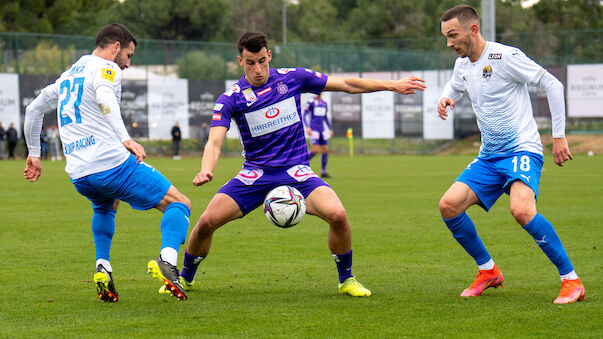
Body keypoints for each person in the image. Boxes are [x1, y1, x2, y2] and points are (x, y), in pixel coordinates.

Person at [168, 32, 425, 297]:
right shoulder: (231, 98)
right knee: (206, 222)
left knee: (338, 215)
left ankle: (346, 279)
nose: (257, 69)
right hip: (255, 174)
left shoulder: (292, 78)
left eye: (261, 61)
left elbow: (347, 83)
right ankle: (185, 279)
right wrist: (206, 167)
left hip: (297, 171)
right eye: (249, 63)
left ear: (269, 56)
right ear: (240, 61)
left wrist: (392, 85)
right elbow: (214, 142)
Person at [23, 23, 192, 302]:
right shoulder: (106, 67)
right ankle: (168, 261)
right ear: (116, 47)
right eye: (129, 55)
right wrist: (126, 139)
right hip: (111, 164)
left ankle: (103, 267)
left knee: (106, 205)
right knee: (179, 203)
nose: (127, 63)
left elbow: (33, 109)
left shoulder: (67, 76)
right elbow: (104, 97)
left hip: (79, 173)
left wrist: (34, 153)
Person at [437, 5, 584, 304]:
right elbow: (455, 84)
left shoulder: (504, 57)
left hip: (522, 149)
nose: (449, 43)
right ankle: (488, 271)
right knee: (449, 206)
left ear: (473, 30)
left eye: (453, 36)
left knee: (521, 211)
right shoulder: (463, 64)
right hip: (489, 155)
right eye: (446, 37)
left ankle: (571, 280)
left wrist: (558, 136)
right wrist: (446, 98)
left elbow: (552, 84)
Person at [303, 93, 333, 178]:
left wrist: (330, 128)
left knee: (325, 150)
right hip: (314, 130)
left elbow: (325, 117)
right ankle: (301, 163)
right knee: (315, 151)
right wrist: (307, 127)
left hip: (322, 130)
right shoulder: (311, 102)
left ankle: (324, 171)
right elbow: (305, 115)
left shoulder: (324, 103)